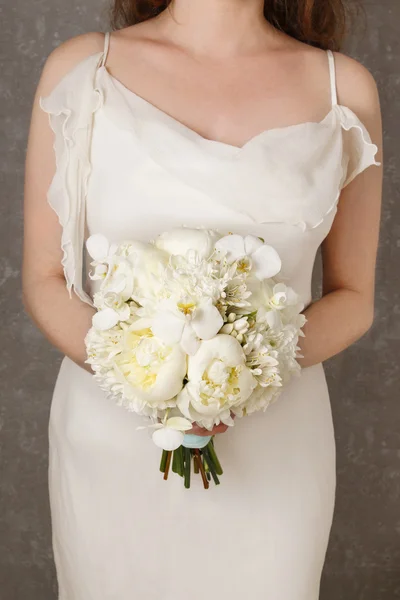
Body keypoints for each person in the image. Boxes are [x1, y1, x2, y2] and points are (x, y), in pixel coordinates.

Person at [23, 1, 383, 598]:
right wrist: (156, 380)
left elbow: (354, 296)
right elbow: (42, 280)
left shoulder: (344, 87)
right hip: (113, 438)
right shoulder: (85, 69)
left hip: (276, 440)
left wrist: (247, 371)